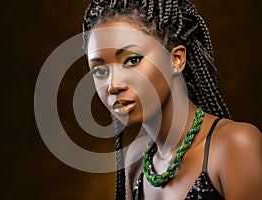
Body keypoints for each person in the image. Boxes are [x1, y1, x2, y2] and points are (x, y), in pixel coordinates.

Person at [82, 0, 262, 199]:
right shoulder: (136, 160)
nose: (113, 85)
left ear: (176, 59)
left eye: (132, 60)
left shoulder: (235, 145)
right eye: (100, 71)